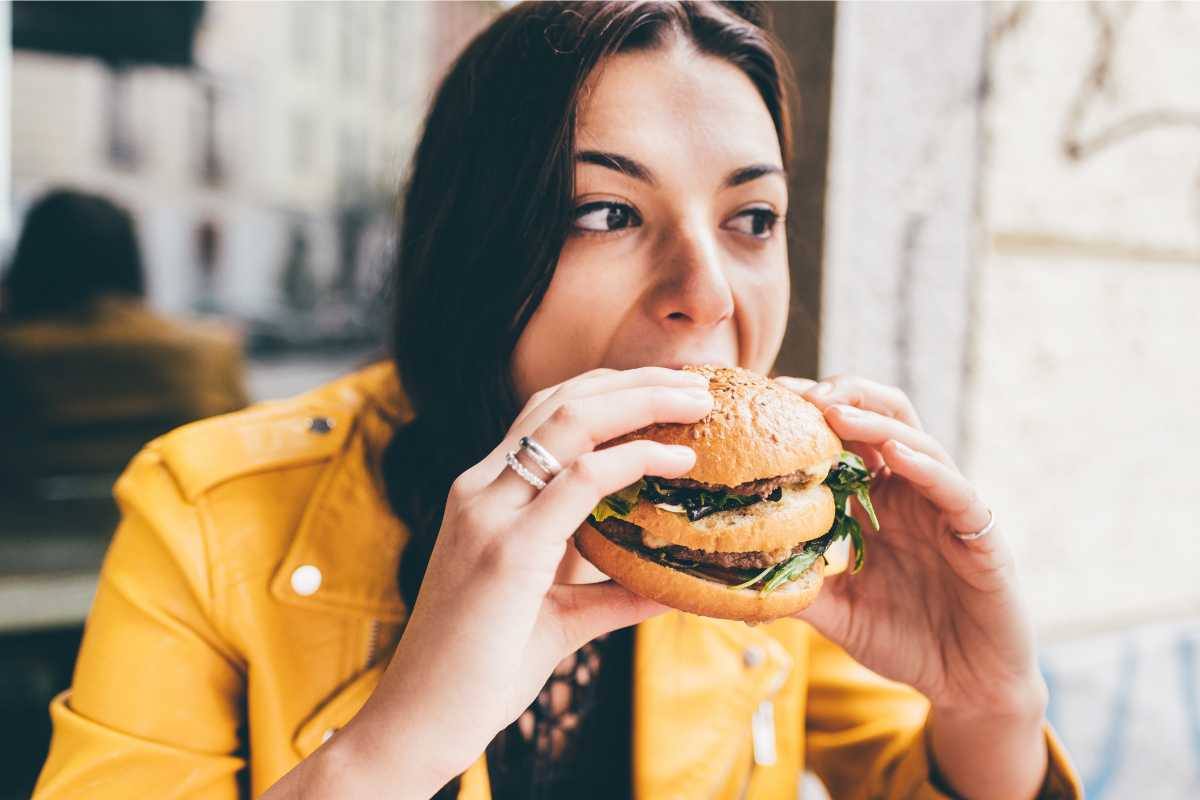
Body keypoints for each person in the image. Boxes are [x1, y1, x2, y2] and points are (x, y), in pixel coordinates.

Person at [33, 3, 1081, 798]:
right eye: (607, 210)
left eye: (753, 218)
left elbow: (908, 767)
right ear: (476, 245)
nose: (709, 294)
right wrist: (398, 741)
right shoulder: (205, 510)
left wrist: (990, 703)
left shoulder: (766, 543)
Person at [0, 188, 248, 486]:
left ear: (32, 262)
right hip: (168, 528)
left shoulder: (15, 355)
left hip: (25, 529)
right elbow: (241, 460)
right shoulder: (211, 352)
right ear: (131, 258)